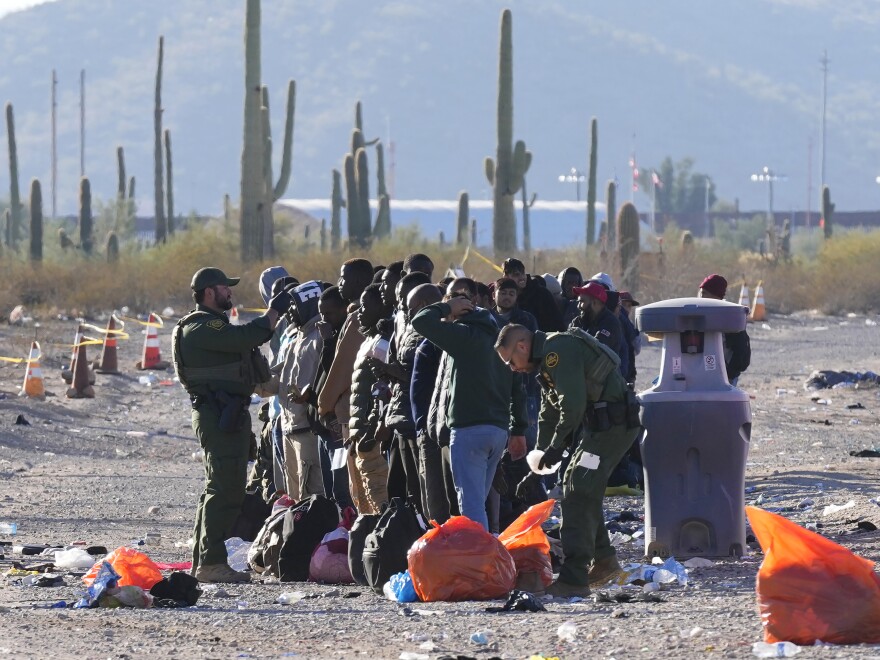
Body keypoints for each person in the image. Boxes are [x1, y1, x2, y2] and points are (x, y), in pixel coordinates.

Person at [494, 323, 641, 597]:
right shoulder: (547, 360)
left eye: (511, 361)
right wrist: (537, 465)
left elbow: (571, 405)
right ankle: (604, 560)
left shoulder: (556, 351)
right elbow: (549, 414)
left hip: (613, 426)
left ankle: (575, 577)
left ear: (523, 347)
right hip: (600, 428)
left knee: (576, 491)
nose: (512, 368)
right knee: (581, 487)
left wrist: (556, 447)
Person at [173, 267, 291, 583]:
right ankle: (211, 562)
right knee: (226, 490)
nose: (230, 293)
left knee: (219, 489)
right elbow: (245, 337)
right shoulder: (202, 326)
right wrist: (274, 312)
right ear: (209, 292)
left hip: (226, 414)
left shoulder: (212, 326)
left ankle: (205, 560)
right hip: (219, 415)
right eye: (226, 288)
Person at [411, 278, 528, 530]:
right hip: (498, 432)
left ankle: (480, 564)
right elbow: (518, 389)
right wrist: (519, 429)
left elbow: (420, 321)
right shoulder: (502, 340)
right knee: (479, 503)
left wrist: (446, 307)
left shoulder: (463, 335)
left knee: (472, 508)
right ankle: (487, 557)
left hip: (468, 431)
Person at [318, 258, 377, 513]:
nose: (340, 284)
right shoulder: (357, 315)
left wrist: (323, 404)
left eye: (343, 278)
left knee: (361, 491)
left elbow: (342, 371)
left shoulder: (357, 319)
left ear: (358, 282)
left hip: (352, 415)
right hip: (355, 413)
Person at [348, 283, 393, 512]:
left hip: (373, 437)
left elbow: (383, 390)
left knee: (380, 500)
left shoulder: (384, 342)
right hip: (362, 436)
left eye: (365, 306)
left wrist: (372, 427)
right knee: (365, 505)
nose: (359, 312)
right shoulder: (369, 340)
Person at [698, 274, 751, 385]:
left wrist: (729, 374)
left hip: (724, 377)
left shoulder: (730, 317)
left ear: (716, 296)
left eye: (704, 293)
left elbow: (740, 351)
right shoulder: (698, 314)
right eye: (700, 293)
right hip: (700, 374)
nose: (700, 297)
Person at [502, 258, 564, 331]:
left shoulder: (541, 294)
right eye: (516, 275)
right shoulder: (504, 296)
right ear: (506, 277)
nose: (521, 277)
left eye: (523, 273)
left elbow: (558, 323)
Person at [570, 281, 622, 353]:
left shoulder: (610, 323)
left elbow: (596, 350)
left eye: (582, 301)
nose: (578, 306)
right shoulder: (578, 321)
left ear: (594, 303)